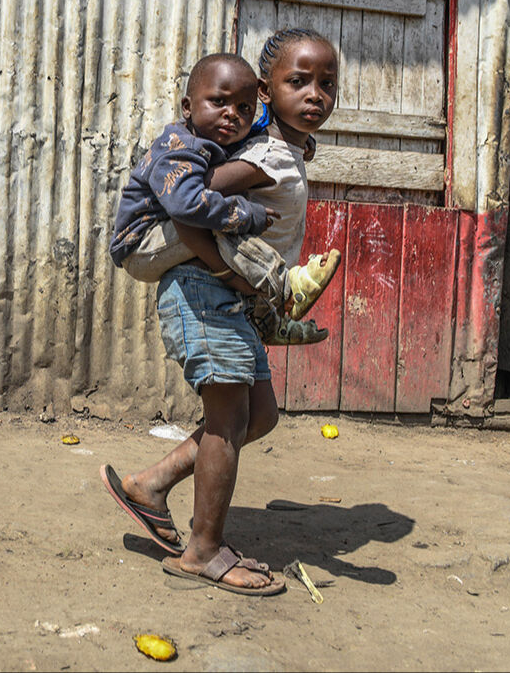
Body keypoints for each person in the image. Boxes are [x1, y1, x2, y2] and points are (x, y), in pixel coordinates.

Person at [102, 30, 340, 596]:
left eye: (326, 85)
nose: (315, 95)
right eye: (298, 82)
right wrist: (233, 273)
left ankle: (150, 485)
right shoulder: (265, 156)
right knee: (230, 422)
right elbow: (186, 202)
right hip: (204, 290)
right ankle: (202, 552)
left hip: (226, 294)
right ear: (269, 90)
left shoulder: (282, 149)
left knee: (258, 416)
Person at [111, 54, 338, 345]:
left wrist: (302, 141)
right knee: (218, 221)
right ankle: (285, 286)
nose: (232, 114)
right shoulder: (178, 147)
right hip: (141, 245)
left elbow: (252, 136)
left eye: (244, 108)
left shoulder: (215, 140)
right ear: (187, 107)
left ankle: (267, 320)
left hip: (164, 237)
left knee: (216, 220)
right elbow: (185, 204)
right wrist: (244, 214)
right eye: (219, 102)